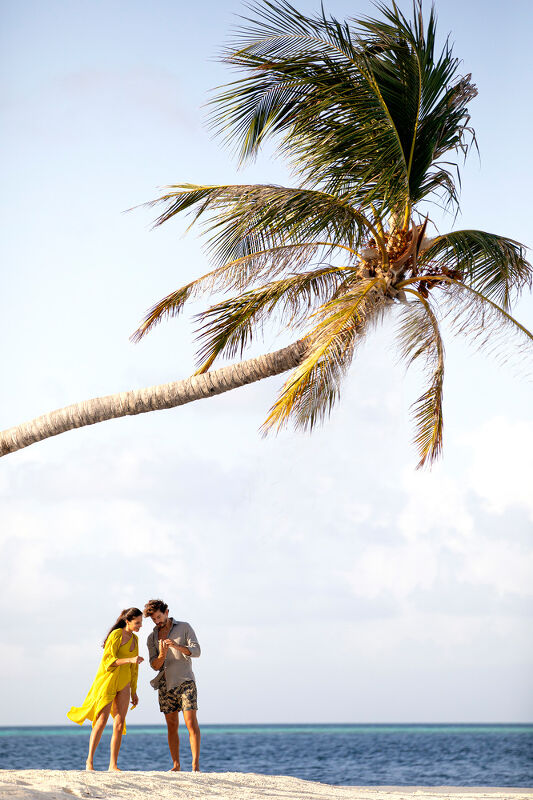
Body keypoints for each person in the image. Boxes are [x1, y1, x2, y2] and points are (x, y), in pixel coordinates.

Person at [67, 607, 144, 771]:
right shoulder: (116, 635)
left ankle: (113, 765)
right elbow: (109, 661)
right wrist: (130, 659)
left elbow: (134, 669)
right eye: (137, 622)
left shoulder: (135, 640)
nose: (140, 625)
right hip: (108, 681)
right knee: (101, 722)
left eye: (141, 622)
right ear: (127, 621)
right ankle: (90, 762)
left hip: (124, 683)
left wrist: (134, 690)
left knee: (119, 723)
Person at [144, 599, 201, 771]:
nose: (157, 621)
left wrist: (177, 646)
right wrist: (161, 655)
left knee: (191, 723)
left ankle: (195, 766)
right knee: (172, 726)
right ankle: (176, 765)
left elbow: (197, 651)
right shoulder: (151, 637)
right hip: (165, 685)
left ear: (167, 612)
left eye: (159, 617)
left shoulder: (184, 627)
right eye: (153, 619)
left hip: (185, 682)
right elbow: (154, 665)